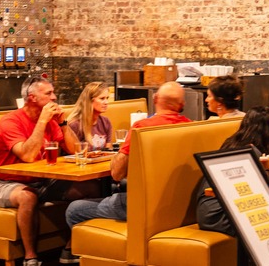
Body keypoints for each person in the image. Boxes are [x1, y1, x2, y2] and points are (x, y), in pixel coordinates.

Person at [64, 82, 191, 260]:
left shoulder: (142, 127)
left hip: (143, 204)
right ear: (182, 105)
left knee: (74, 209)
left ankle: (95, 255)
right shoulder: (190, 126)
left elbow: (116, 173)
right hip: (177, 205)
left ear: (154, 100)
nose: (106, 102)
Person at [0, 77, 94, 266]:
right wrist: (42, 121)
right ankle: (30, 257)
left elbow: (75, 150)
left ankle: (69, 249)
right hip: (4, 182)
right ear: (32, 97)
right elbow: (28, 156)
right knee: (27, 197)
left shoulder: (51, 121)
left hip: (41, 180)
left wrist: (63, 123)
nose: (54, 97)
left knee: (90, 188)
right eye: (48, 94)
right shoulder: (10, 122)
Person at [196, 106, 269, 236]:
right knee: (264, 226)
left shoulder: (232, 143)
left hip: (208, 210)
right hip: (217, 214)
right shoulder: (250, 152)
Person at [67, 81, 113, 151]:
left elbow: (108, 151)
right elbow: (72, 153)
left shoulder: (106, 122)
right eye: (102, 98)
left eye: (107, 98)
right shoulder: (75, 125)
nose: (106, 102)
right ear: (90, 101)